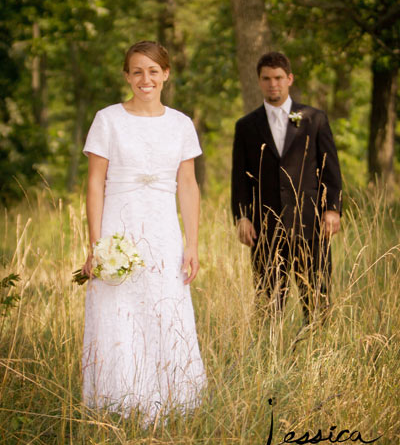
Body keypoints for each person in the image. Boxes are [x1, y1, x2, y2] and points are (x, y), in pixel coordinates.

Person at [81, 41, 206, 422]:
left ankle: (172, 401)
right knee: (119, 309)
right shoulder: (108, 119)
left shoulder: (181, 124)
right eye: (137, 71)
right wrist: (96, 246)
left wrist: (192, 243)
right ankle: (120, 403)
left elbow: (188, 184)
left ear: (166, 74)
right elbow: (94, 183)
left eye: (153, 71)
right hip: (119, 224)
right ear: (127, 76)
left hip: (165, 230)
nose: (145, 79)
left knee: (164, 306)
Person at [231, 52, 342, 322]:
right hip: (265, 227)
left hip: (309, 224)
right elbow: (239, 178)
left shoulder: (314, 119)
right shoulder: (246, 126)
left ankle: (318, 356)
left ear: (289, 79)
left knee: (317, 301)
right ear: (259, 81)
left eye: (279, 78)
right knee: (268, 306)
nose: (273, 84)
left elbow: (330, 169)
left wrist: (332, 209)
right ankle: (272, 357)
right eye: (266, 79)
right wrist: (242, 216)